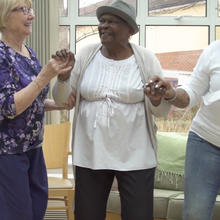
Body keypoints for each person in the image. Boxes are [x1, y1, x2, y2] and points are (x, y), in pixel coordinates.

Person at [52, 0, 171, 219]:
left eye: (112, 21)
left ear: (128, 30)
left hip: (136, 155)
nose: (103, 26)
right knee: (88, 215)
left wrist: (155, 100)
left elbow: (162, 111)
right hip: (91, 153)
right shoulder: (87, 54)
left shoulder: (145, 59)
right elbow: (62, 101)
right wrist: (63, 78)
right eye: (102, 21)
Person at [0, 0, 75, 219]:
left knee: (36, 212)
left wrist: (59, 104)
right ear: (4, 17)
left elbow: (34, 100)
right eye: (23, 10)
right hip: (9, 155)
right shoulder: (2, 55)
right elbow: (8, 106)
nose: (31, 16)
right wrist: (45, 76)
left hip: (34, 150)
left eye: (30, 10)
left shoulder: (29, 53)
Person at [145, 40, 220, 220]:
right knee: (195, 214)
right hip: (206, 140)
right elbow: (191, 93)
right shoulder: (214, 51)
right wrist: (171, 94)